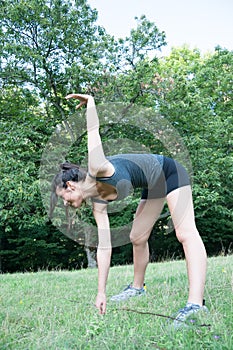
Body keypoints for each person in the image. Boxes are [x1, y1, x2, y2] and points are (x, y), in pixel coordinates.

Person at [50, 93, 208, 326]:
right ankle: (137, 288)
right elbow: (104, 248)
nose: (65, 203)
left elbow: (93, 133)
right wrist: (101, 292)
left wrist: (91, 102)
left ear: (71, 186)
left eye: (63, 197)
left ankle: (196, 304)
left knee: (185, 233)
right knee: (136, 236)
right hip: (153, 184)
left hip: (170, 172)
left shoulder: (97, 168)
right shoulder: (98, 204)